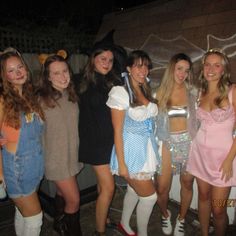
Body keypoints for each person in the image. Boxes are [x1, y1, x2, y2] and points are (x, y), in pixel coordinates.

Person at [107, 50, 160, 236]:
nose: (143, 69)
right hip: (130, 151)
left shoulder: (144, 88)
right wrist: (122, 164)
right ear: (128, 68)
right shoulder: (120, 92)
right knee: (150, 197)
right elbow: (117, 131)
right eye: (138, 65)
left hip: (146, 149)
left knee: (133, 191)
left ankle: (124, 224)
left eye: (146, 65)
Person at [187, 49, 236, 236]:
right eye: (207, 64)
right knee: (204, 197)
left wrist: (229, 159)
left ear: (223, 69)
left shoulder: (233, 91)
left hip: (224, 158)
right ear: (202, 68)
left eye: (217, 65)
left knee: (219, 209)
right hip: (200, 155)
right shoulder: (200, 92)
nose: (211, 69)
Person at [77, 43, 122, 235]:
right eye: (102, 58)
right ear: (93, 59)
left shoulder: (113, 81)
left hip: (110, 141)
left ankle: (105, 217)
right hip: (94, 143)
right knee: (109, 188)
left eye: (110, 60)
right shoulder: (80, 80)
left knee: (103, 184)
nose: (107, 63)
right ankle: (100, 231)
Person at [0, 48, 45, 236]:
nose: (18, 72)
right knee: (35, 219)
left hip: (35, 164)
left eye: (20, 67)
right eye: (11, 70)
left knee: (22, 213)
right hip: (17, 167)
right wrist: (0, 173)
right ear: (4, 76)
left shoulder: (29, 96)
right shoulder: (2, 100)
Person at [38, 54, 83, 236]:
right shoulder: (40, 99)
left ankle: (59, 224)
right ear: (48, 77)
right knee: (74, 200)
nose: (63, 76)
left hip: (71, 154)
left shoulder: (71, 95)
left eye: (65, 71)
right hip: (56, 159)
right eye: (56, 73)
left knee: (63, 194)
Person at [155, 53, 198, 236]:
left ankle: (181, 218)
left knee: (187, 183)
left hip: (189, 143)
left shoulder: (193, 92)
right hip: (167, 143)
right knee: (162, 187)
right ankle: (165, 214)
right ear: (171, 68)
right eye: (179, 69)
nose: (183, 74)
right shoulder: (158, 93)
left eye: (187, 71)